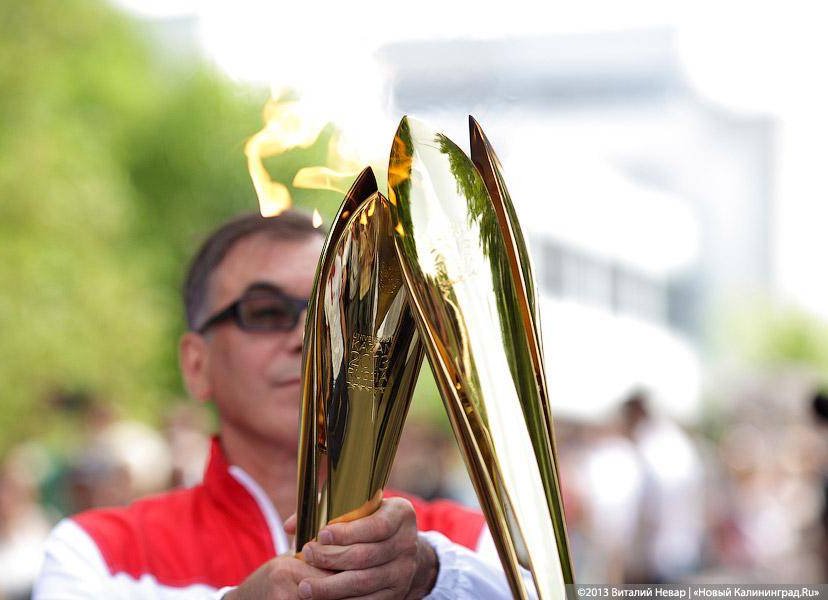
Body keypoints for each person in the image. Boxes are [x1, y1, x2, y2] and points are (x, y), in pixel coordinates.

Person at [34, 211, 531, 599]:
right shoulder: (95, 551)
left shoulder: (463, 542)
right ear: (196, 365)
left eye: (333, 312)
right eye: (267, 313)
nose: (307, 339)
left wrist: (428, 576)